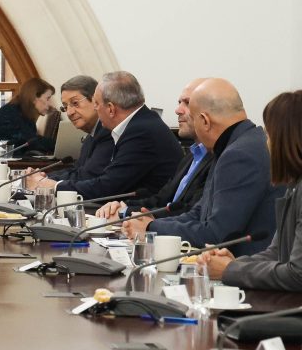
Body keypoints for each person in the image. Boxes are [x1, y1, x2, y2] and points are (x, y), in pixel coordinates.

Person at [123, 78, 280, 256]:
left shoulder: (239, 154)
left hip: (243, 266)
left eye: (193, 119)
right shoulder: (232, 144)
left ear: (205, 120)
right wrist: (152, 223)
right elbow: (198, 213)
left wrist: (151, 227)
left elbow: (215, 235)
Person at [199, 90, 302, 286]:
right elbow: (277, 253)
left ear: (286, 138)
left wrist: (230, 270)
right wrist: (235, 264)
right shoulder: (294, 185)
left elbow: (298, 274)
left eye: (269, 134)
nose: (266, 143)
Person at [28, 71, 183, 199]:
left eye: (96, 104)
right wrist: (46, 180)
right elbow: (89, 175)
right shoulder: (139, 124)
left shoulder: (140, 132)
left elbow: (107, 186)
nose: (96, 109)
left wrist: (53, 186)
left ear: (110, 109)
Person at [97, 78, 213, 220]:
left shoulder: (217, 157)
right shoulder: (192, 155)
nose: (177, 110)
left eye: (187, 103)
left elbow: (189, 212)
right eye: (179, 103)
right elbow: (161, 200)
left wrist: (128, 214)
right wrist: (123, 207)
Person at [47, 75, 114, 186]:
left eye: (75, 103)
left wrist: (46, 182)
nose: (69, 113)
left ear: (95, 101)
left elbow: (86, 176)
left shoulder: (108, 132)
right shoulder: (91, 135)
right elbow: (77, 170)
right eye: (65, 107)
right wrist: (43, 176)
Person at [0, 77, 56, 153]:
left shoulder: (26, 114)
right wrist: (58, 145)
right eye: (48, 98)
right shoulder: (9, 112)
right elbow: (30, 140)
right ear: (34, 98)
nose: (50, 104)